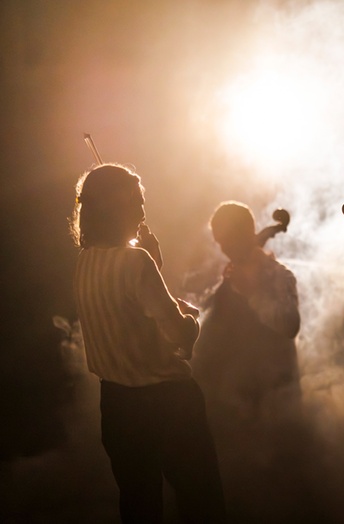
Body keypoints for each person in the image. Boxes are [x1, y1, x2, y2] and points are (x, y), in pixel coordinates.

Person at [70, 164, 225, 523]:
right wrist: (192, 318)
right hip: (168, 405)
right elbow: (182, 342)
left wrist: (154, 266)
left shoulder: (84, 262)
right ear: (114, 207)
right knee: (202, 502)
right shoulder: (136, 261)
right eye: (136, 203)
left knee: (140, 507)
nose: (142, 212)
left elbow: (129, 317)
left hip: (117, 407)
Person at [192, 201, 301, 420]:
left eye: (229, 239)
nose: (224, 248)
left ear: (247, 233)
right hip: (235, 398)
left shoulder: (278, 275)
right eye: (220, 242)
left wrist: (252, 294)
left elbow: (290, 325)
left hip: (274, 395)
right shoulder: (233, 276)